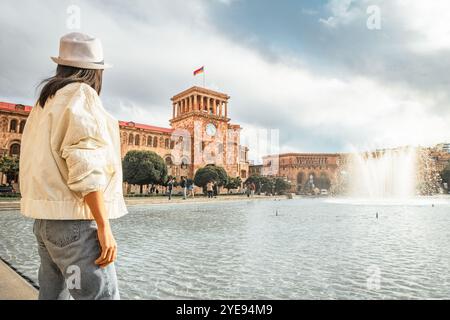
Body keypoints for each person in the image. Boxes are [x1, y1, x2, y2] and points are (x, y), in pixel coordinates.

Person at [19, 33, 128, 300]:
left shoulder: (44, 103)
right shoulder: (82, 94)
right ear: (95, 72)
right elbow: (86, 166)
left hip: (46, 224)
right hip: (75, 225)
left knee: (53, 296)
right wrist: (103, 226)